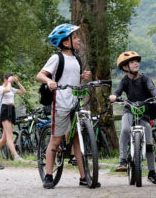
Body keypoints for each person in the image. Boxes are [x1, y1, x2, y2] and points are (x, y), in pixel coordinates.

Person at [36, 23, 94, 189]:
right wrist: (49, 81)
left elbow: (71, 77)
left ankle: (84, 177)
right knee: (56, 140)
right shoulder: (57, 58)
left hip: (75, 103)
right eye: (75, 37)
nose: (78, 40)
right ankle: (48, 175)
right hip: (60, 103)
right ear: (66, 42)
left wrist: (82, 76)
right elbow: (40, 74)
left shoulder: (76, 59)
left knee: (77, 140)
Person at [109, 51, 156, 185]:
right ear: (125, 67)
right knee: (126, 129)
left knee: (149, 143)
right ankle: (122, 161)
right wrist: (114, 96)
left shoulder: (145, 78)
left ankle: (152, 173)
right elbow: (118, 91)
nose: (135, 63)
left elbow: (152, 89)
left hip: (144, 111)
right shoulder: (125, 80)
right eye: (132, 62)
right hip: (129, 109)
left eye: (137, 61)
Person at [0, 72, 26, 161]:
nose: (11, 82)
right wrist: (9, 82)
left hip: (12, 110)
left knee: (4, 138)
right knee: (10, 135)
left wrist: (18, 82)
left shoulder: (11, 88)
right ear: (5, 79)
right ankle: (16, 156)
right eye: (10, 80)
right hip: (5, 110)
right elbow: (7, 90)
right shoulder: (1, 88)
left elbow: (23, 91)